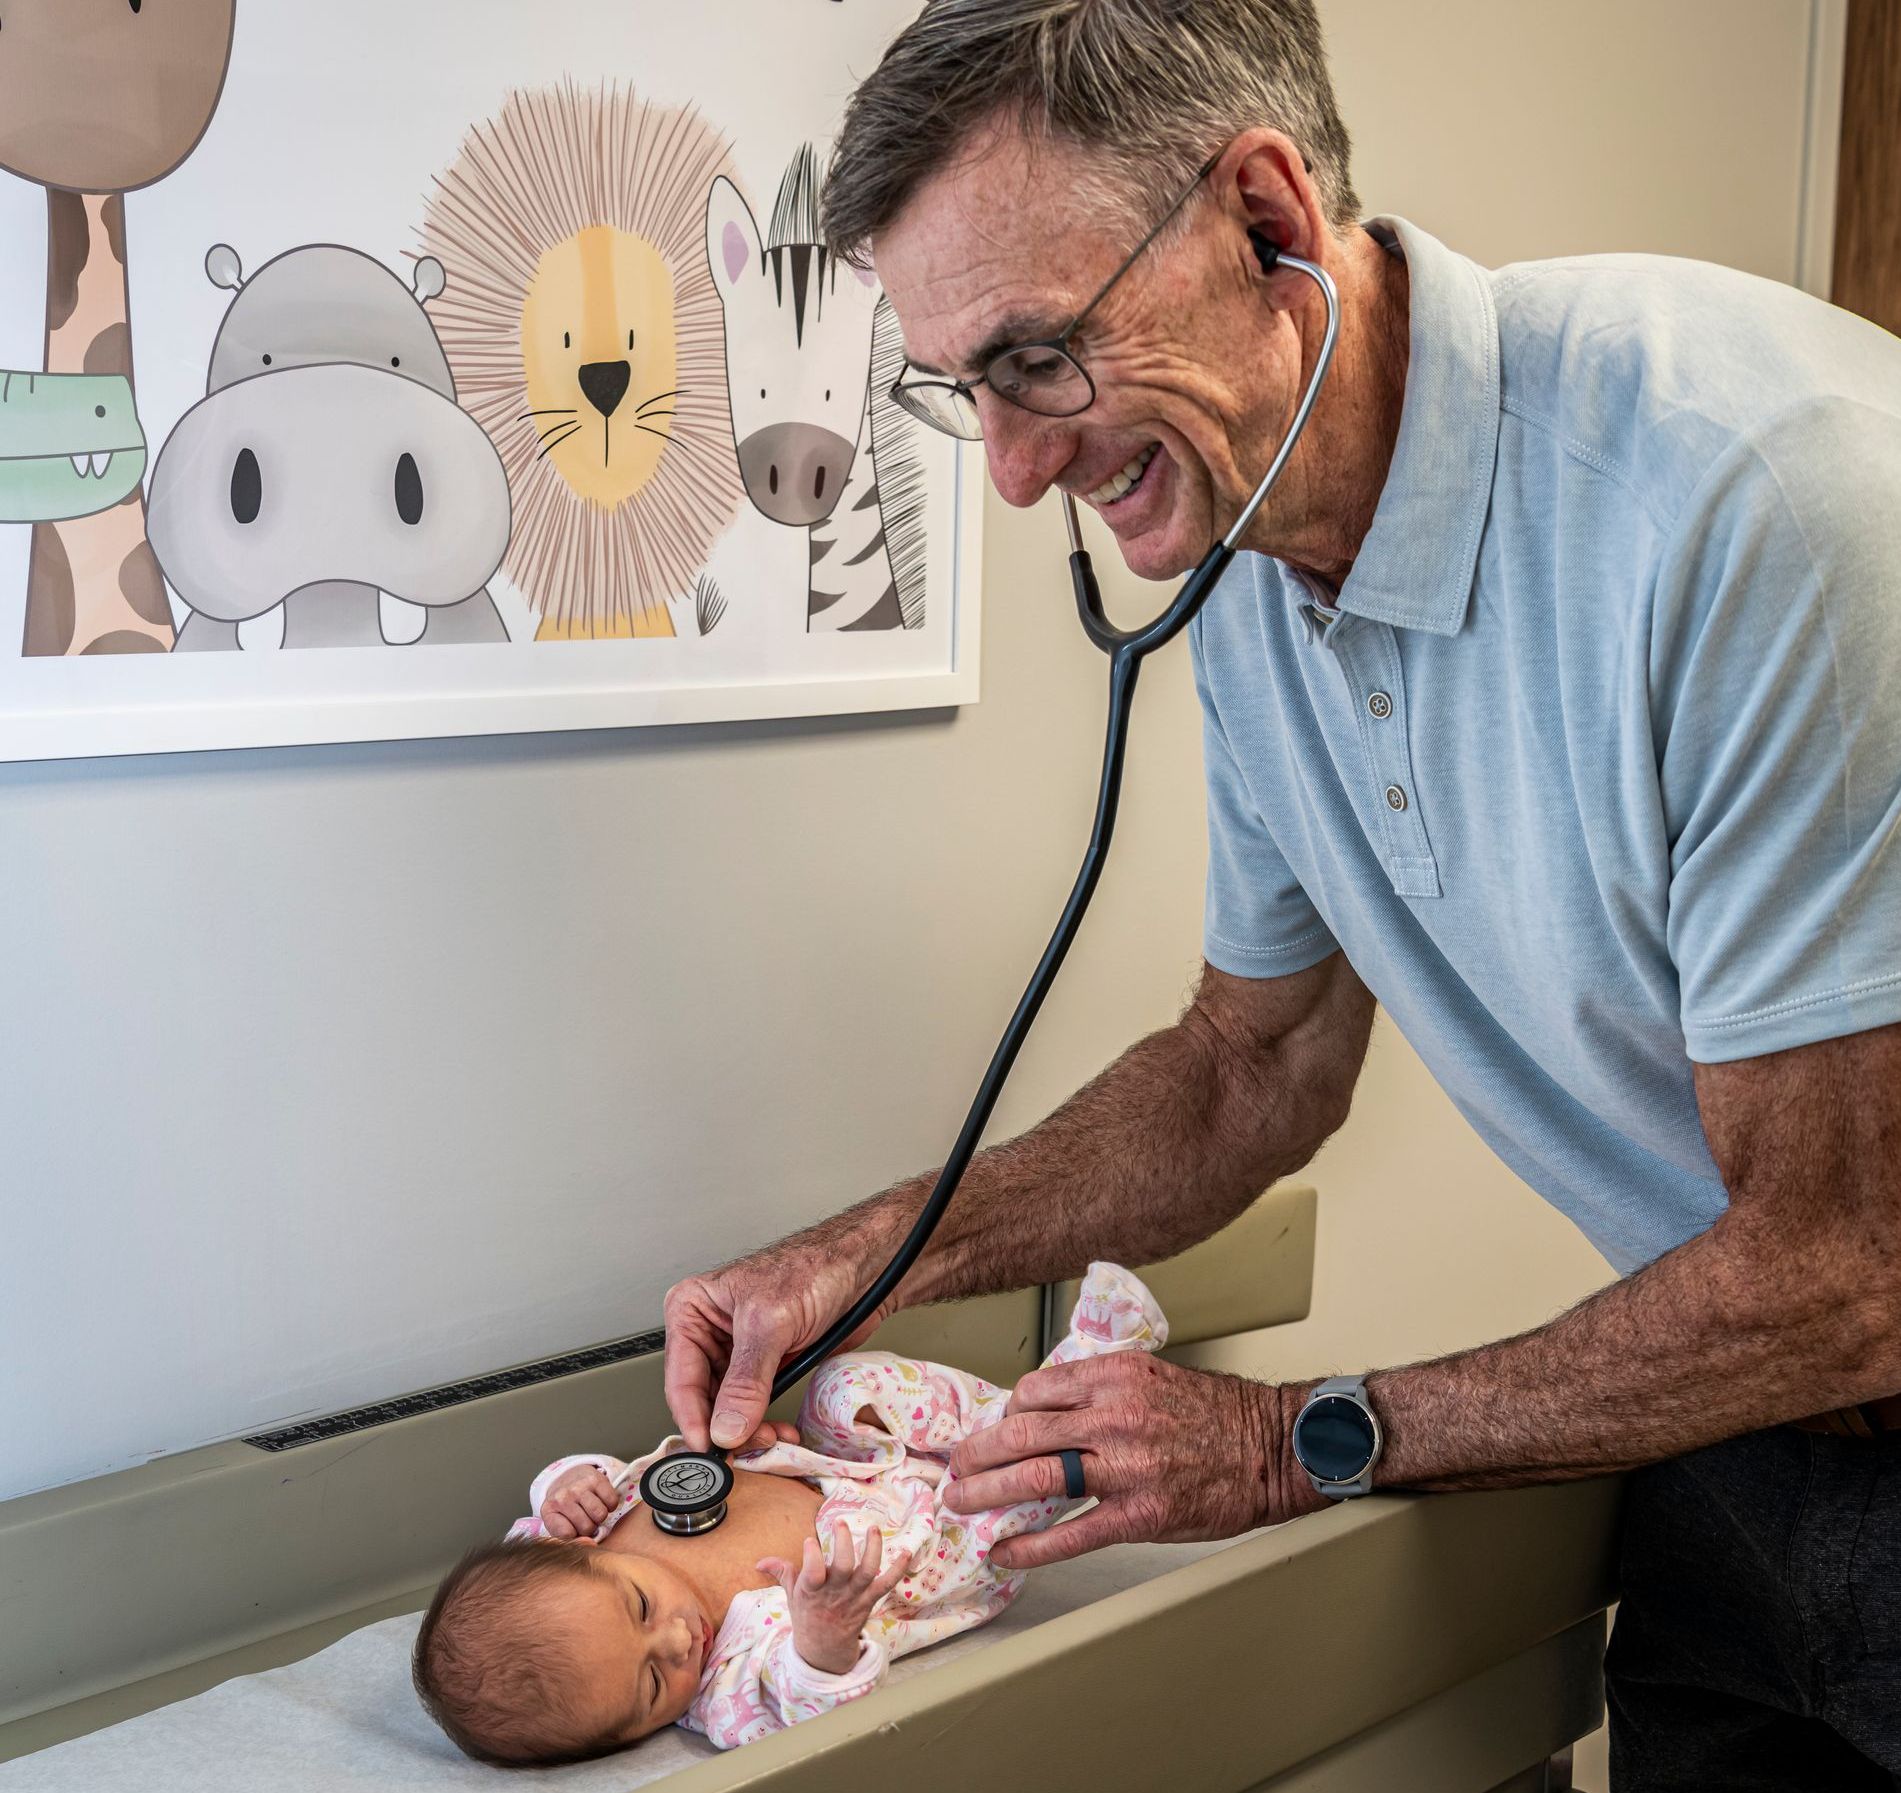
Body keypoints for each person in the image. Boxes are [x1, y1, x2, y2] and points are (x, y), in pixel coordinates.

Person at [662, 3, 1901, 1782]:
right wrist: (871, 1255)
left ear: (1261, 220)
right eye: (965, 394)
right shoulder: (1250, 562)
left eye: (1036, 360)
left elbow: (1850, 1261)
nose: (1012, 473)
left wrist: (1294, 1437)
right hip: (1737, 1429)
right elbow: (1256, 1063)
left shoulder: (1752, 504)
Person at [414, 1265, 1165, 1761]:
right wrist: (822, 1636)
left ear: (577, 1552)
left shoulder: (581, 1529)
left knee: (844, 1386)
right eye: (648, 1686)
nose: (677, 1640)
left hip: (839, 1461)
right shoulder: (724, 1689)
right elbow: (800, 1708)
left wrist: (566, 1480)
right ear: (630, 1735)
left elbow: (566, 1499)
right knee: (999, 1498)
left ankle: (1008, 1410)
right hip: (925, 1548)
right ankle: (1091, 1371)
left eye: (639, 1606)